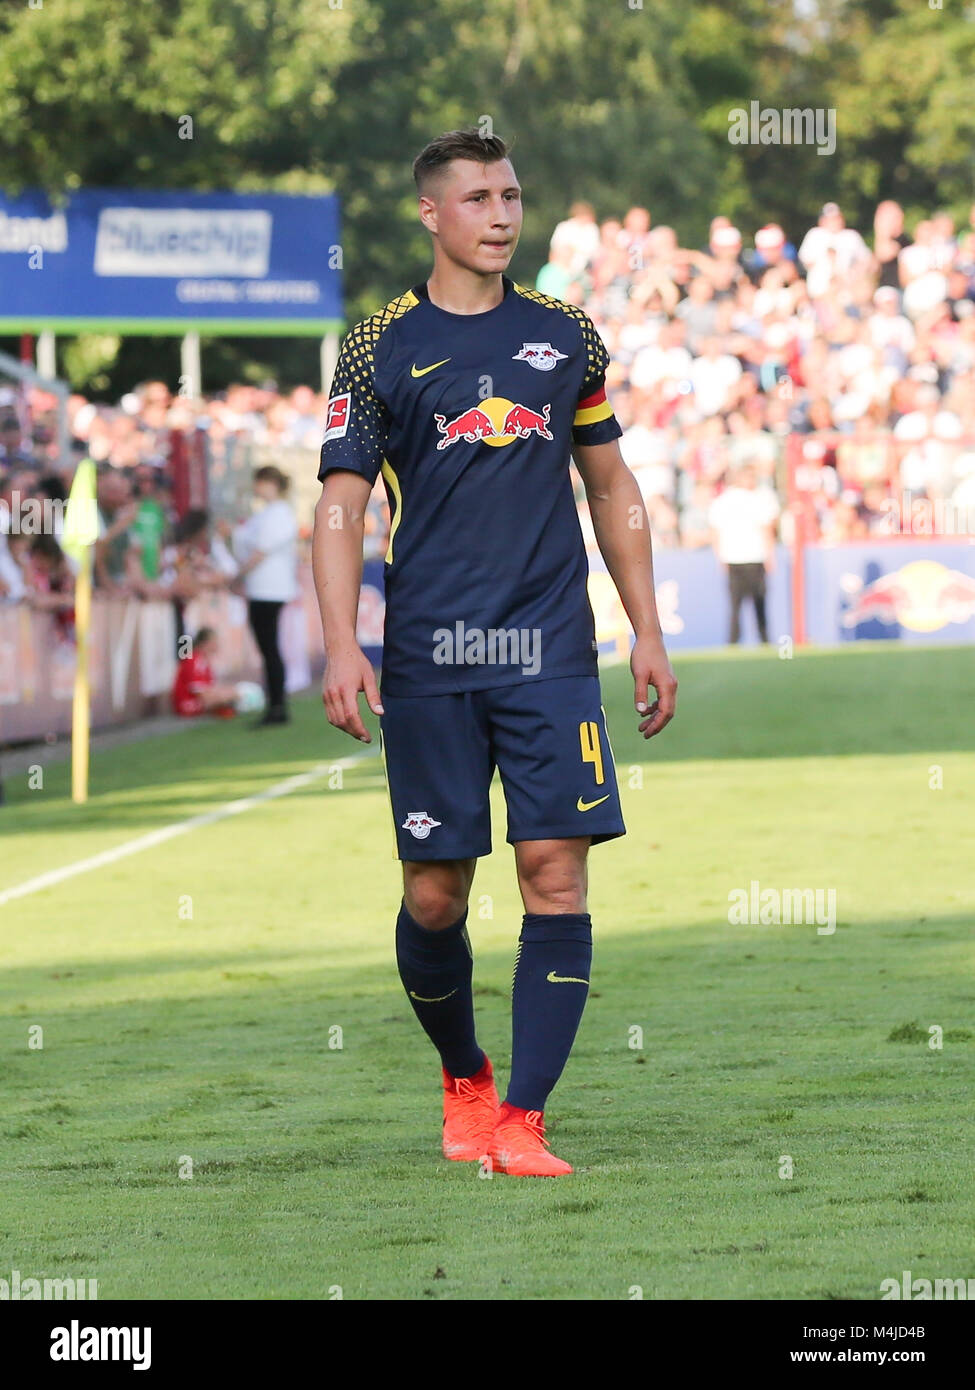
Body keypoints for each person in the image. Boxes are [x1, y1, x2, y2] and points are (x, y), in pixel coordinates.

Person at [313, 128, 677, 1178]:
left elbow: (612, 486)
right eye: (477, 197)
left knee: (552, 874)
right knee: (437, 891)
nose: (502, 213)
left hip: (551, 649)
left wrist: (646, 624)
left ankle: (523, 1118)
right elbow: (339, 509)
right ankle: (464, 1074)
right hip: (429, 655)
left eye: (512, 193)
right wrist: (343, 644)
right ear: (432, 213)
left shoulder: (567, 336)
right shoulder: (377, 346)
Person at [233, 465, 298, 726]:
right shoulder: (268, 514)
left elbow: (260, 551)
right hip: (262, 587)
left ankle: (277, 706)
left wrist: (237, 575)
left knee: (269, 647)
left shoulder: (279, 513)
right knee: (268, 647)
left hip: (269, 588)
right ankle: (276, 704)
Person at [708, 463, 780, 644]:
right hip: (753, 556)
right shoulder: (757, 500)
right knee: (756, 604)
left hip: (736, 557)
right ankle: (762, 640)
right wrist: (770, 556)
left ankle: (734, 641)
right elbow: (767, 530)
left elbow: (714, 532)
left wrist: (719, 557)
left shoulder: (722, 500)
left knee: (737, 605)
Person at [171, 627, 238, 718]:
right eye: (214, 641)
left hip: (199, 702)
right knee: (228, 696)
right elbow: (202, 694)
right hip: (187, 705)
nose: (217, 645)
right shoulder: (194, 660)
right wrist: (224, 696)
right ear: (205, 643)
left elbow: (210, 687)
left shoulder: (204, 660)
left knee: (231, 693)